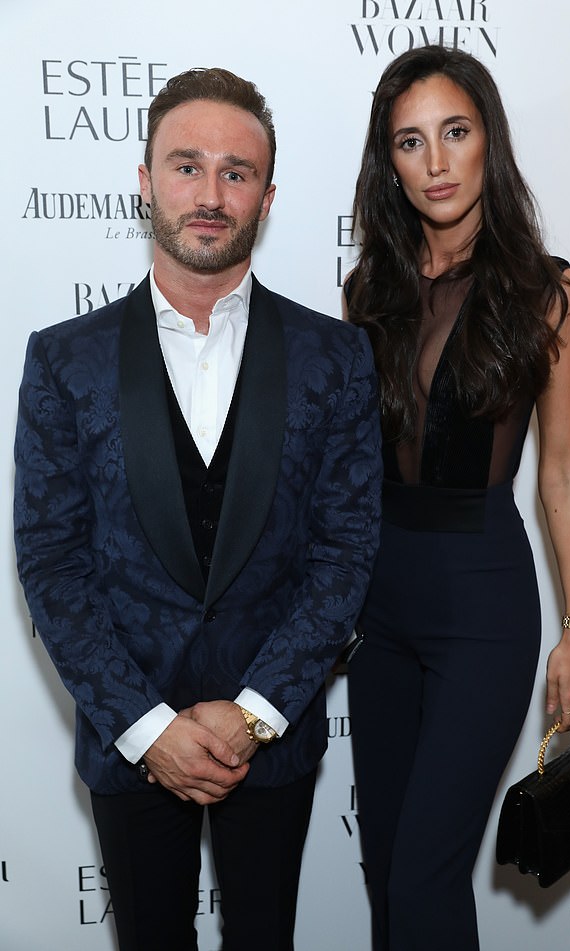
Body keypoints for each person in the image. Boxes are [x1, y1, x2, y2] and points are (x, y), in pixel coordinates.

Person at [14, 67, 382, 951]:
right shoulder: (66, 359)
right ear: (144, 182)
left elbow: (346, 551)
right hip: (126, 739)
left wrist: (253, 711)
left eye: (236, 171)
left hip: (274, 739)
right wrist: (149, 729)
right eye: (186, 166)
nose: (210, 194)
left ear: (267, 195)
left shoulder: (336, 357)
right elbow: (52, 563)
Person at [345, 45, 570, 951]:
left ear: (489, 138)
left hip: (481, 608)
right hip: (380, 611)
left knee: (424, 877)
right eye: (410, 143)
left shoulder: (550, 293)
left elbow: (563, 471)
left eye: (455, 132)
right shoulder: (369, 290)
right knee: (386, 874)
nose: (437, 162)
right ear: (390, 162)